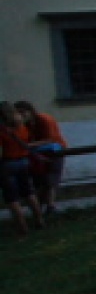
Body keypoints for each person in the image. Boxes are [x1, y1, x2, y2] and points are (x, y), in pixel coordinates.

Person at [1, 101, 45, 237]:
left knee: (12, 198)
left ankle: (22, 227)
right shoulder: (21, 126)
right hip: (23, 161)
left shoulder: (2, 130)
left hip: (8, 163)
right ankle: (39, 219)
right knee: (29, 192)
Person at [14, 101, 65, 218]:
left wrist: (29, 145)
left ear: (30, 111)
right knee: (39, 179)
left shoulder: (44, 119)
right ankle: (40, 207)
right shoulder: (24, 125)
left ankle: (50, 205)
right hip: (36, 153)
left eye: (23, 112)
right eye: (18, 113)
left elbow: (50, 138)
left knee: (51, 178)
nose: (21, 116)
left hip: (54, 150)